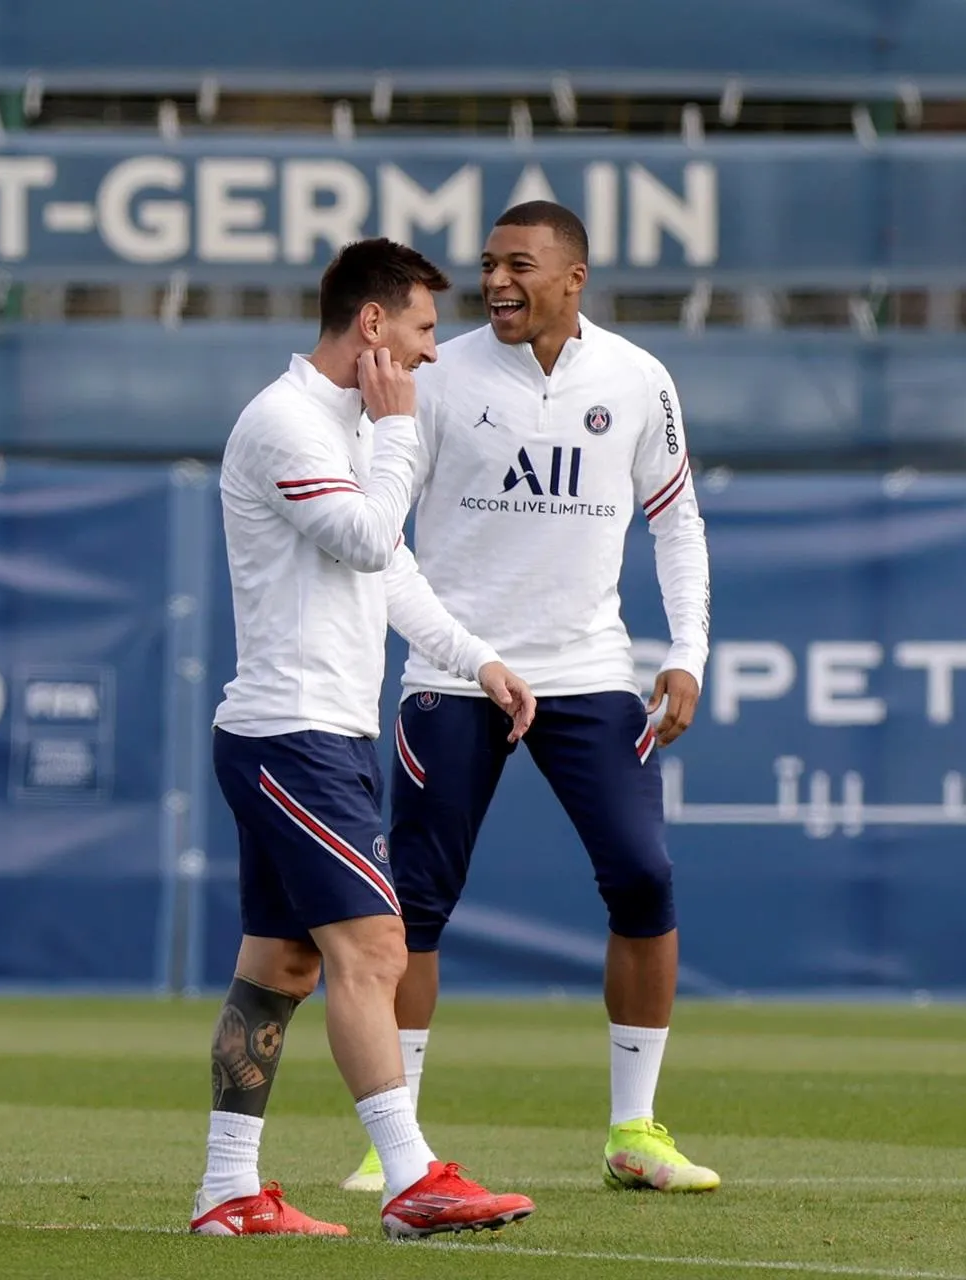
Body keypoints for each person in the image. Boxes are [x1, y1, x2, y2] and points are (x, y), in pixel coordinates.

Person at [340, 201, 718, 1197]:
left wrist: (688, 651)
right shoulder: (441, 373)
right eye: (487, 265)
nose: (498, 281)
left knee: (643, 878)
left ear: (573, 277)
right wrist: (446, 647)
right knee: (415, 907)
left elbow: (676, 525)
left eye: (520, 265)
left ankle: (634, 1129)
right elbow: (381, 527)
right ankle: (396, 1140)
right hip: (454, 674)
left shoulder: (637, 378)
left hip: (591, 670)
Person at [193, 237, 539, 1241]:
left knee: (282, 967)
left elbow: (388, 574)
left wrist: (476, 659)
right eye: (427, 327)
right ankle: (411, 1174)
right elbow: (363, 536)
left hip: (317, 734)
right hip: (288, 736)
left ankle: (227, 1189)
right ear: (374, 323)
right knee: (377, 946)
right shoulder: (285, 420)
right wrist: (396, 436)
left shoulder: (346, 424)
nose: (436, 351)